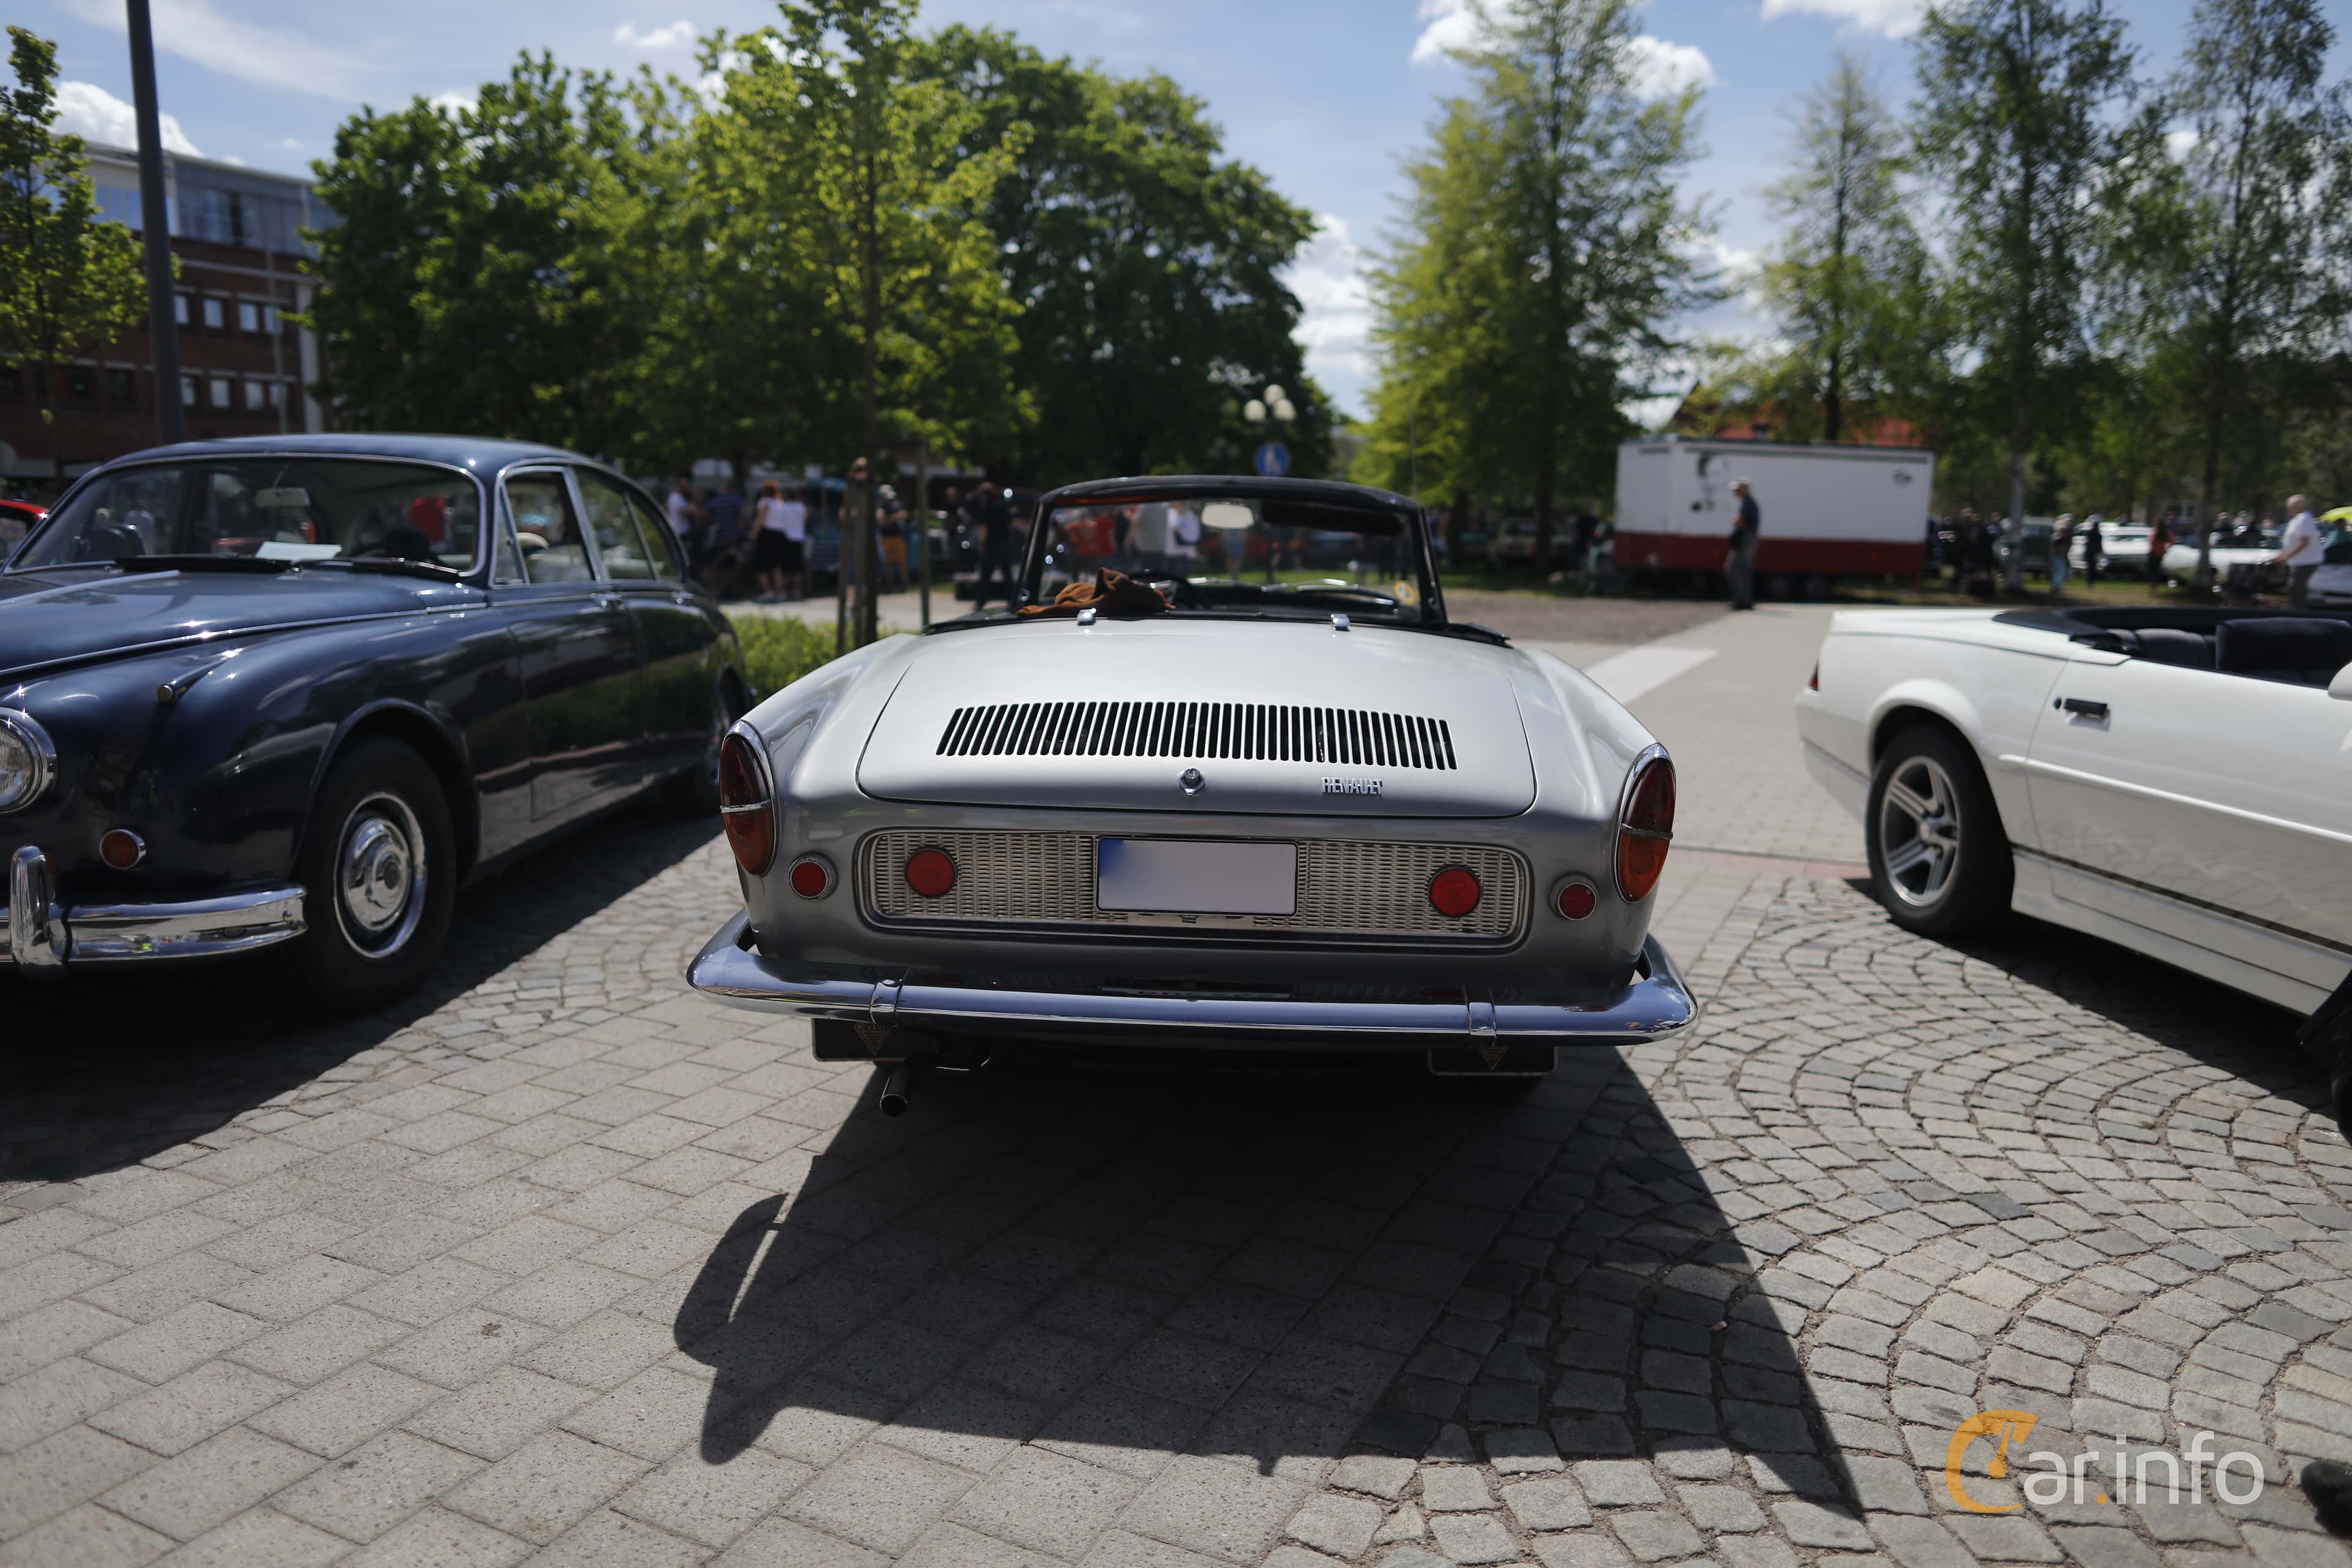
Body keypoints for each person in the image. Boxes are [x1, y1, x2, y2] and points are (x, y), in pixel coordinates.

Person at [968, 477, 1015, 609]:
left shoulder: (986, 507)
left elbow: (984, 528)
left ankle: (980, 602)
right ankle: (1012, 601)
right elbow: (1011, 524)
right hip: (1004, 543)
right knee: (1008, 575)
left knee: (985, 576)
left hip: (991, 545)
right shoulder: (1003, 505)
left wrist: (981, 544)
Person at [2277, 493, 2323, 609]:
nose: (2288, 509)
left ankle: (2298, 612)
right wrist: (2283, 554)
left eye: (2290, 506)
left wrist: (2287, 556)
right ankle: (2297, 609)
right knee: (2296, 588)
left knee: (2296, 589)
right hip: (2300, 561)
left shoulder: (2304, 519)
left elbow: (2304, 543)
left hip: (2306, 561)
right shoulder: (2298, 519)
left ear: (2298, 507)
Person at [1725, 477, 1759, 609]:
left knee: (1734, 569)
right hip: (1748, 542)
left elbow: (1742, 522)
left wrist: (1736, 519)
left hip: (1745, 542)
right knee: (1744, 572)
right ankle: (1745, 601)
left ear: (1744, 489)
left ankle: (1741, 601)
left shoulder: (1749, 503)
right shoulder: (1748, 502)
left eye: (1738, 489)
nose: (1735, 492)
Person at [2049, 514, 2073, 595]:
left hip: (2059, 555)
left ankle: (2056, 587)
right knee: (2060, 571)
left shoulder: (2057, 536)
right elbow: (2060, 548)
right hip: (2058, 556)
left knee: (2060, 571)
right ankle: (2056, 587)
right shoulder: (2059, 537)